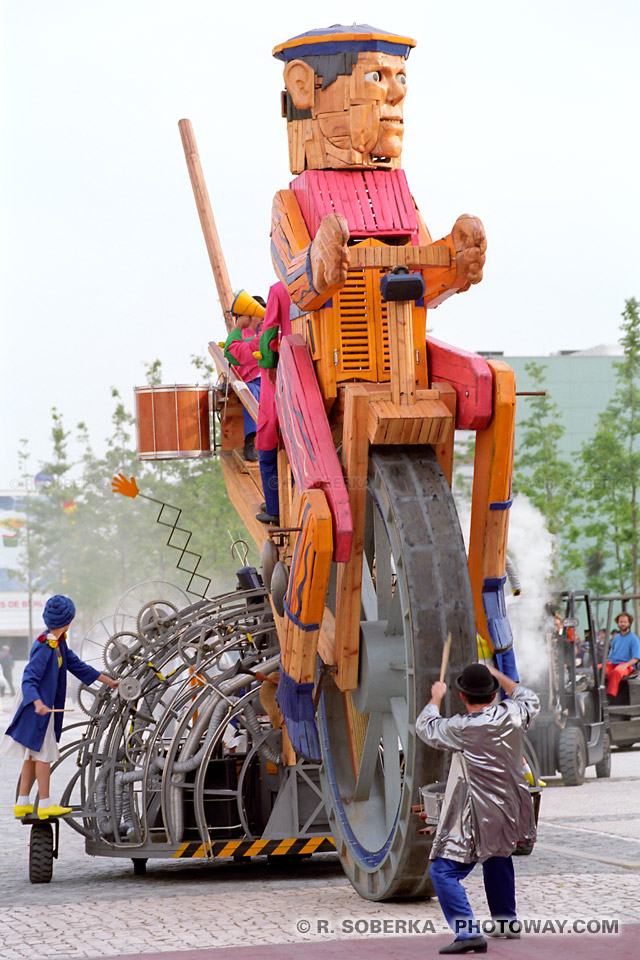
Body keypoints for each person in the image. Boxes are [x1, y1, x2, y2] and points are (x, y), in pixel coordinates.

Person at [416, 663, 540, 954]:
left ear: (462, 697)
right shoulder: (512, 714)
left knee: (443, 872)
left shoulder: (462, 727)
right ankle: (505, 922)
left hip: (478, 811)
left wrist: (435, 698)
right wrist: (498, 675)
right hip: (509, 809)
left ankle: (467, 933)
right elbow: (529, 698)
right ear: (495, 694)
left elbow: (427, 728)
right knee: (497, 854)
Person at [1, 594, 118, 819]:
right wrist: (38, 703)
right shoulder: (45, 645)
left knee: (32, 755)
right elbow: (29, 678)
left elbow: (78, 666)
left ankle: (22, 802)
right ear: (68, 621)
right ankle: (45, 803)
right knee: (43, 754)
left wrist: (108, 681)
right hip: (36, 704)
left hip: (38, 702)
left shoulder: (58, 643)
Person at [223, 294, 266, 462]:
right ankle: (250, 440)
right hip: (251, 380)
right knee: (251, 394)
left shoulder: (267, 329)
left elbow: (233, 352)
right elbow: (236, 355)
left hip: (273, 378)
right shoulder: (246, 333)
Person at [606, 612, 640, 698]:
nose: (622, 624)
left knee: (616, 672)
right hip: (613, 663)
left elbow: (636, 658)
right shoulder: (616, 638)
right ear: (618, 623)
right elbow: (610, 656)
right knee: (599, 669)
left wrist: (625, 665)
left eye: (625, 622)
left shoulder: (634, 639)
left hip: (627, 665)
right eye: (621, 622)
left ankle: (610, 696)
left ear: (629, 623)